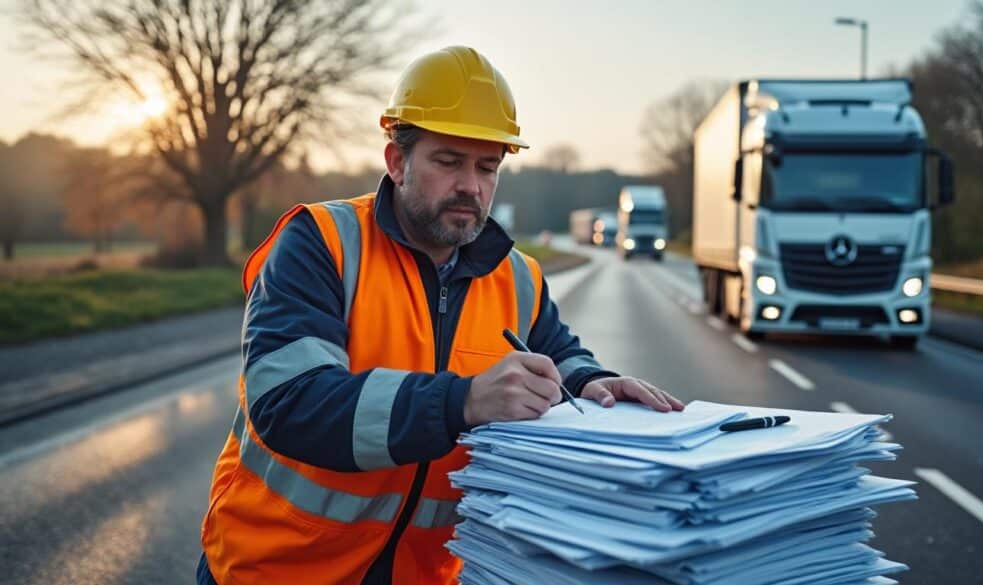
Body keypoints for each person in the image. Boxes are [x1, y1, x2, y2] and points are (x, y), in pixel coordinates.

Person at [196, 46, 684, 585]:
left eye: (487, 167)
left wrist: (594, 381)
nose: (471, 187)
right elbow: (290, 402)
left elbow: (556, 356)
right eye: (448, 161)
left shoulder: (518, 276)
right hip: (273, 572)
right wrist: (464, 401)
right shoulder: (321, 242)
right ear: (397, 161)